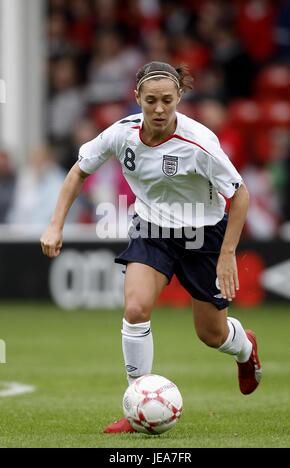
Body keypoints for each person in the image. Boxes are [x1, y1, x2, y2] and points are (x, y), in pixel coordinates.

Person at [40, 61, 262, 433]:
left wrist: (226, 255)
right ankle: (136, 405)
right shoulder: (120, 133)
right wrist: (54, 224)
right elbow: (80, 170)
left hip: (203, 235)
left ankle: (245, 348)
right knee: (136, 307)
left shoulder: (200, 143)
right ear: (137, 98)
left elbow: (240, 195)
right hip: (152, 229)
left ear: (179, 98)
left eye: (167, 101)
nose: (159, 109)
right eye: (151, 101)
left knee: (212, 335)